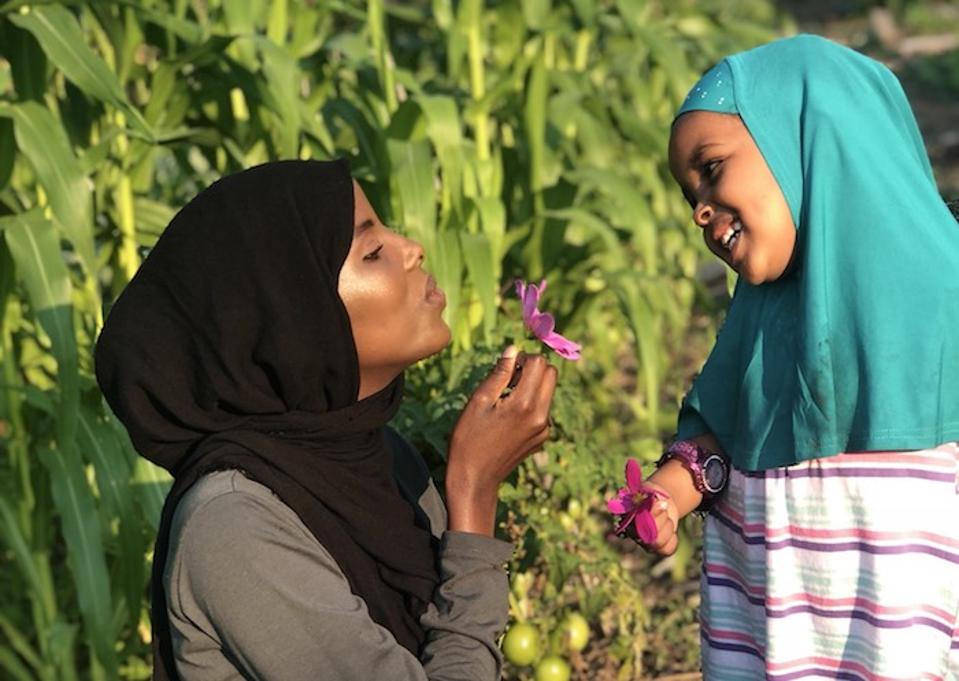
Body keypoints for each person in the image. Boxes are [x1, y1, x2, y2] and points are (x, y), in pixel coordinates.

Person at [95, 159, 557, 680]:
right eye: (374, 251)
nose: (413, 249)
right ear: (295, 319)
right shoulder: (234, 529)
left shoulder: (379, 454)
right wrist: (473, 492)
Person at [621, 35, 959, 678]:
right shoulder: (758, 321)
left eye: (712, 167)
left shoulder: (948, 295)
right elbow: (719, 438)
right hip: (778, 650)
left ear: (812, 136)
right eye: (689, 190)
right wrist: (669, 491)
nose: (698, 209)